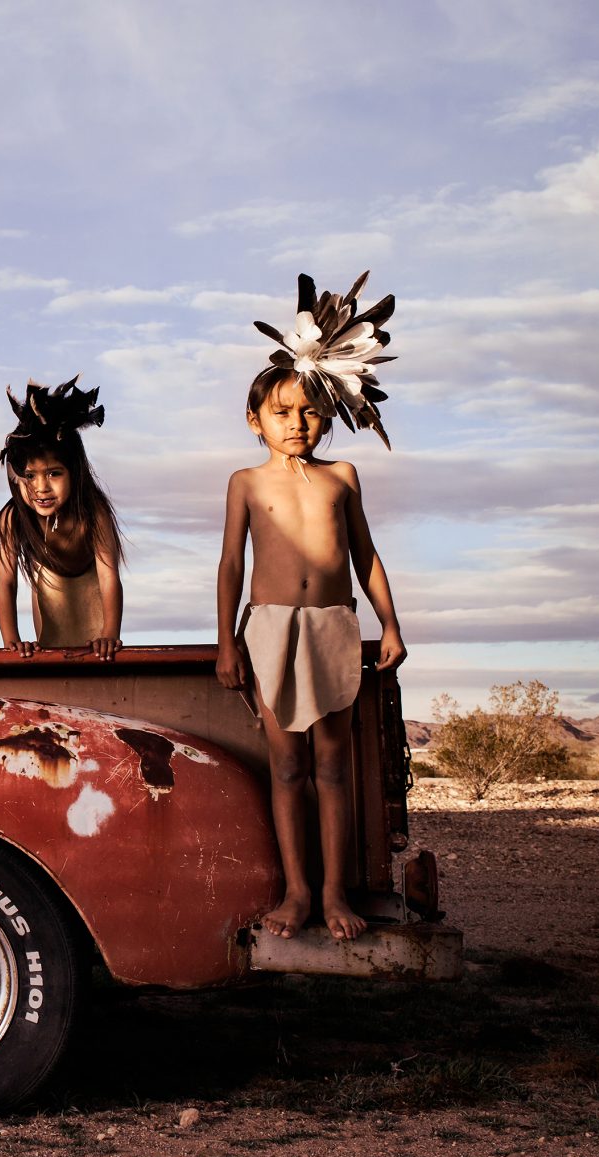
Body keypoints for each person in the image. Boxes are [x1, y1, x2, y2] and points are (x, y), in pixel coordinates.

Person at [216, 272, 409, 942]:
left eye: (309, 411)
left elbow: (365, 556)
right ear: (255, 420)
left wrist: (390, 624)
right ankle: (295, 892)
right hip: (270, 629)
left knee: (332, 767)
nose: (296, 423)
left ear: (329, 413)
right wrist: (226, 641)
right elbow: (232, 564)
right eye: (281, 412)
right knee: (288, 766)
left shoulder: (342, 477)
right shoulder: (245, 483)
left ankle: (333, 893)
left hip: (333, 626)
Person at [0, 377, 124, 660]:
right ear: (16, 476)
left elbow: (108, 575)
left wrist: (111, 634)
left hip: (93, 580)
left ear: (74, 471)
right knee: (53, 650)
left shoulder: (93, 511)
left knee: (98, 655)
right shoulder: (11, 519)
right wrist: (12, 643)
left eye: (53, 473)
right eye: (30, 476)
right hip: (49, 581)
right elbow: (6, 583)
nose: (41, 487)